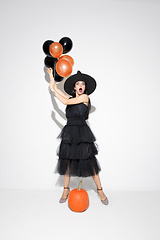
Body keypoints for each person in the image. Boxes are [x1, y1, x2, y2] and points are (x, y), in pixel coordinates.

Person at [47, 68, 108, 205]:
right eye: (78, 84)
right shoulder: (70, 98)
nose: (81, 86)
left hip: (82, 132)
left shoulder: (85, 98)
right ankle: (65, 190)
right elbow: (64, 97)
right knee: (67, 162)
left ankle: (100, 190)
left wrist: (54, 89)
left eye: (83, 84)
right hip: (70, 132)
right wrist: (52, 79)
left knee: (90, 162)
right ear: (74, 87)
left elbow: (65, 102)